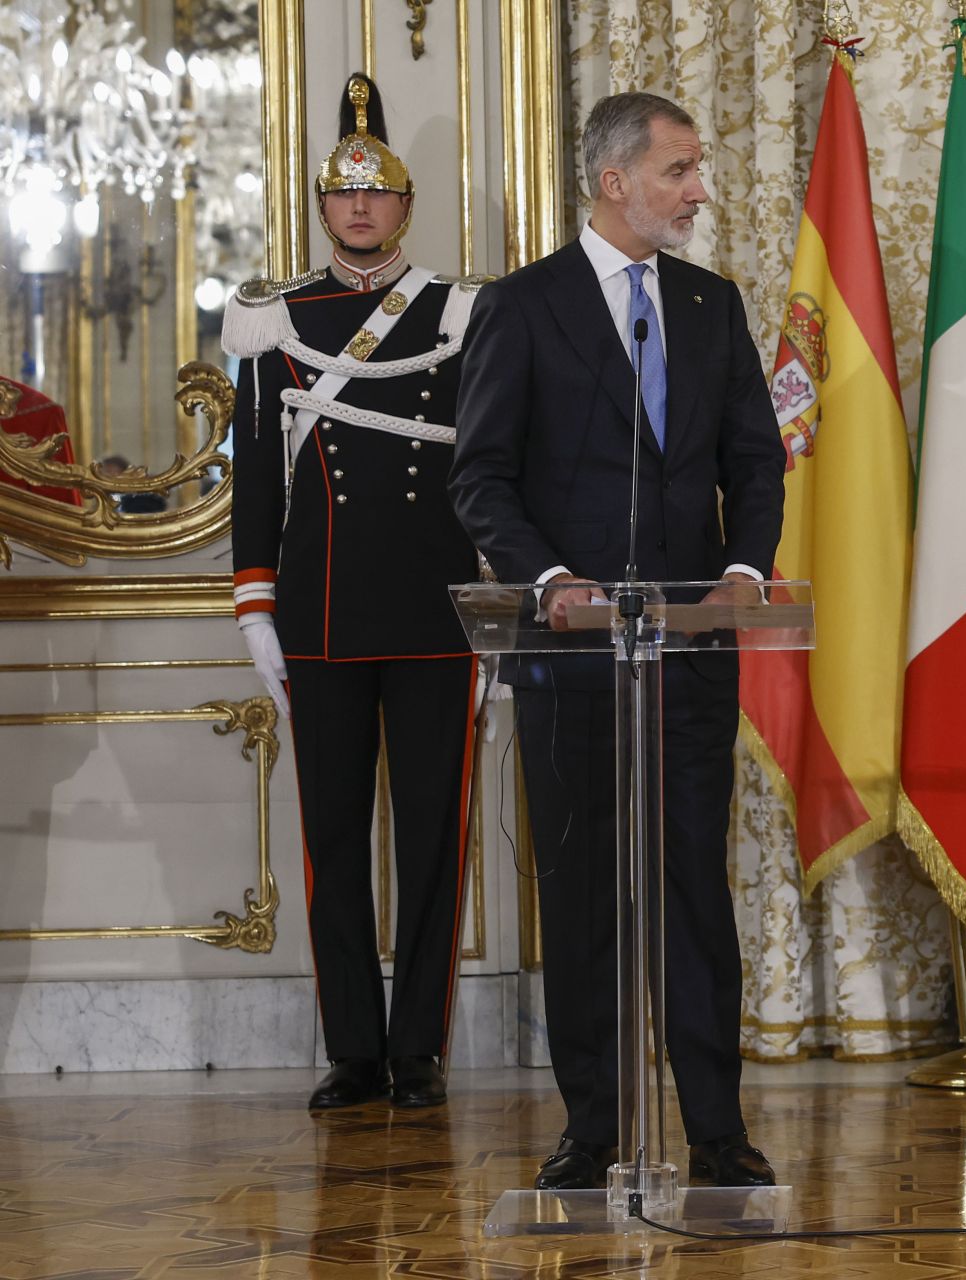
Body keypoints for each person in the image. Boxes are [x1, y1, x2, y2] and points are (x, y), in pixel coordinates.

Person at [448, 92, 785, 1191]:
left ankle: (718, 1131)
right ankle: (592, 1129)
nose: (697, 190)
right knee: (585, 890)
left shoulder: (709, 302)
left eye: (697, 170)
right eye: (680, 169)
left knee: (695, 886)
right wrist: (548, 578)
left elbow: (756, 458)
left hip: (687, 651)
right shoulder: (523, 306)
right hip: (573, 654)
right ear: (614, 181)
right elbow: (481, 477)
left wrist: (743, 567)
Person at [222, 72, 485, 1113]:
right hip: (321, 610)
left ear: (406, 206)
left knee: (431, 838)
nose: (361, 208)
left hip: (434, 608)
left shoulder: (462, 315)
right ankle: (354, 1050)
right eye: (344, 193)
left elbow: (489, 467)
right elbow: (255, 472)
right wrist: (253, 604)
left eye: (379, 193)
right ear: (324, 207)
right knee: (333, 840)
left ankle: (418, 1048)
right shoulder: (273, 320)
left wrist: (497, 606)